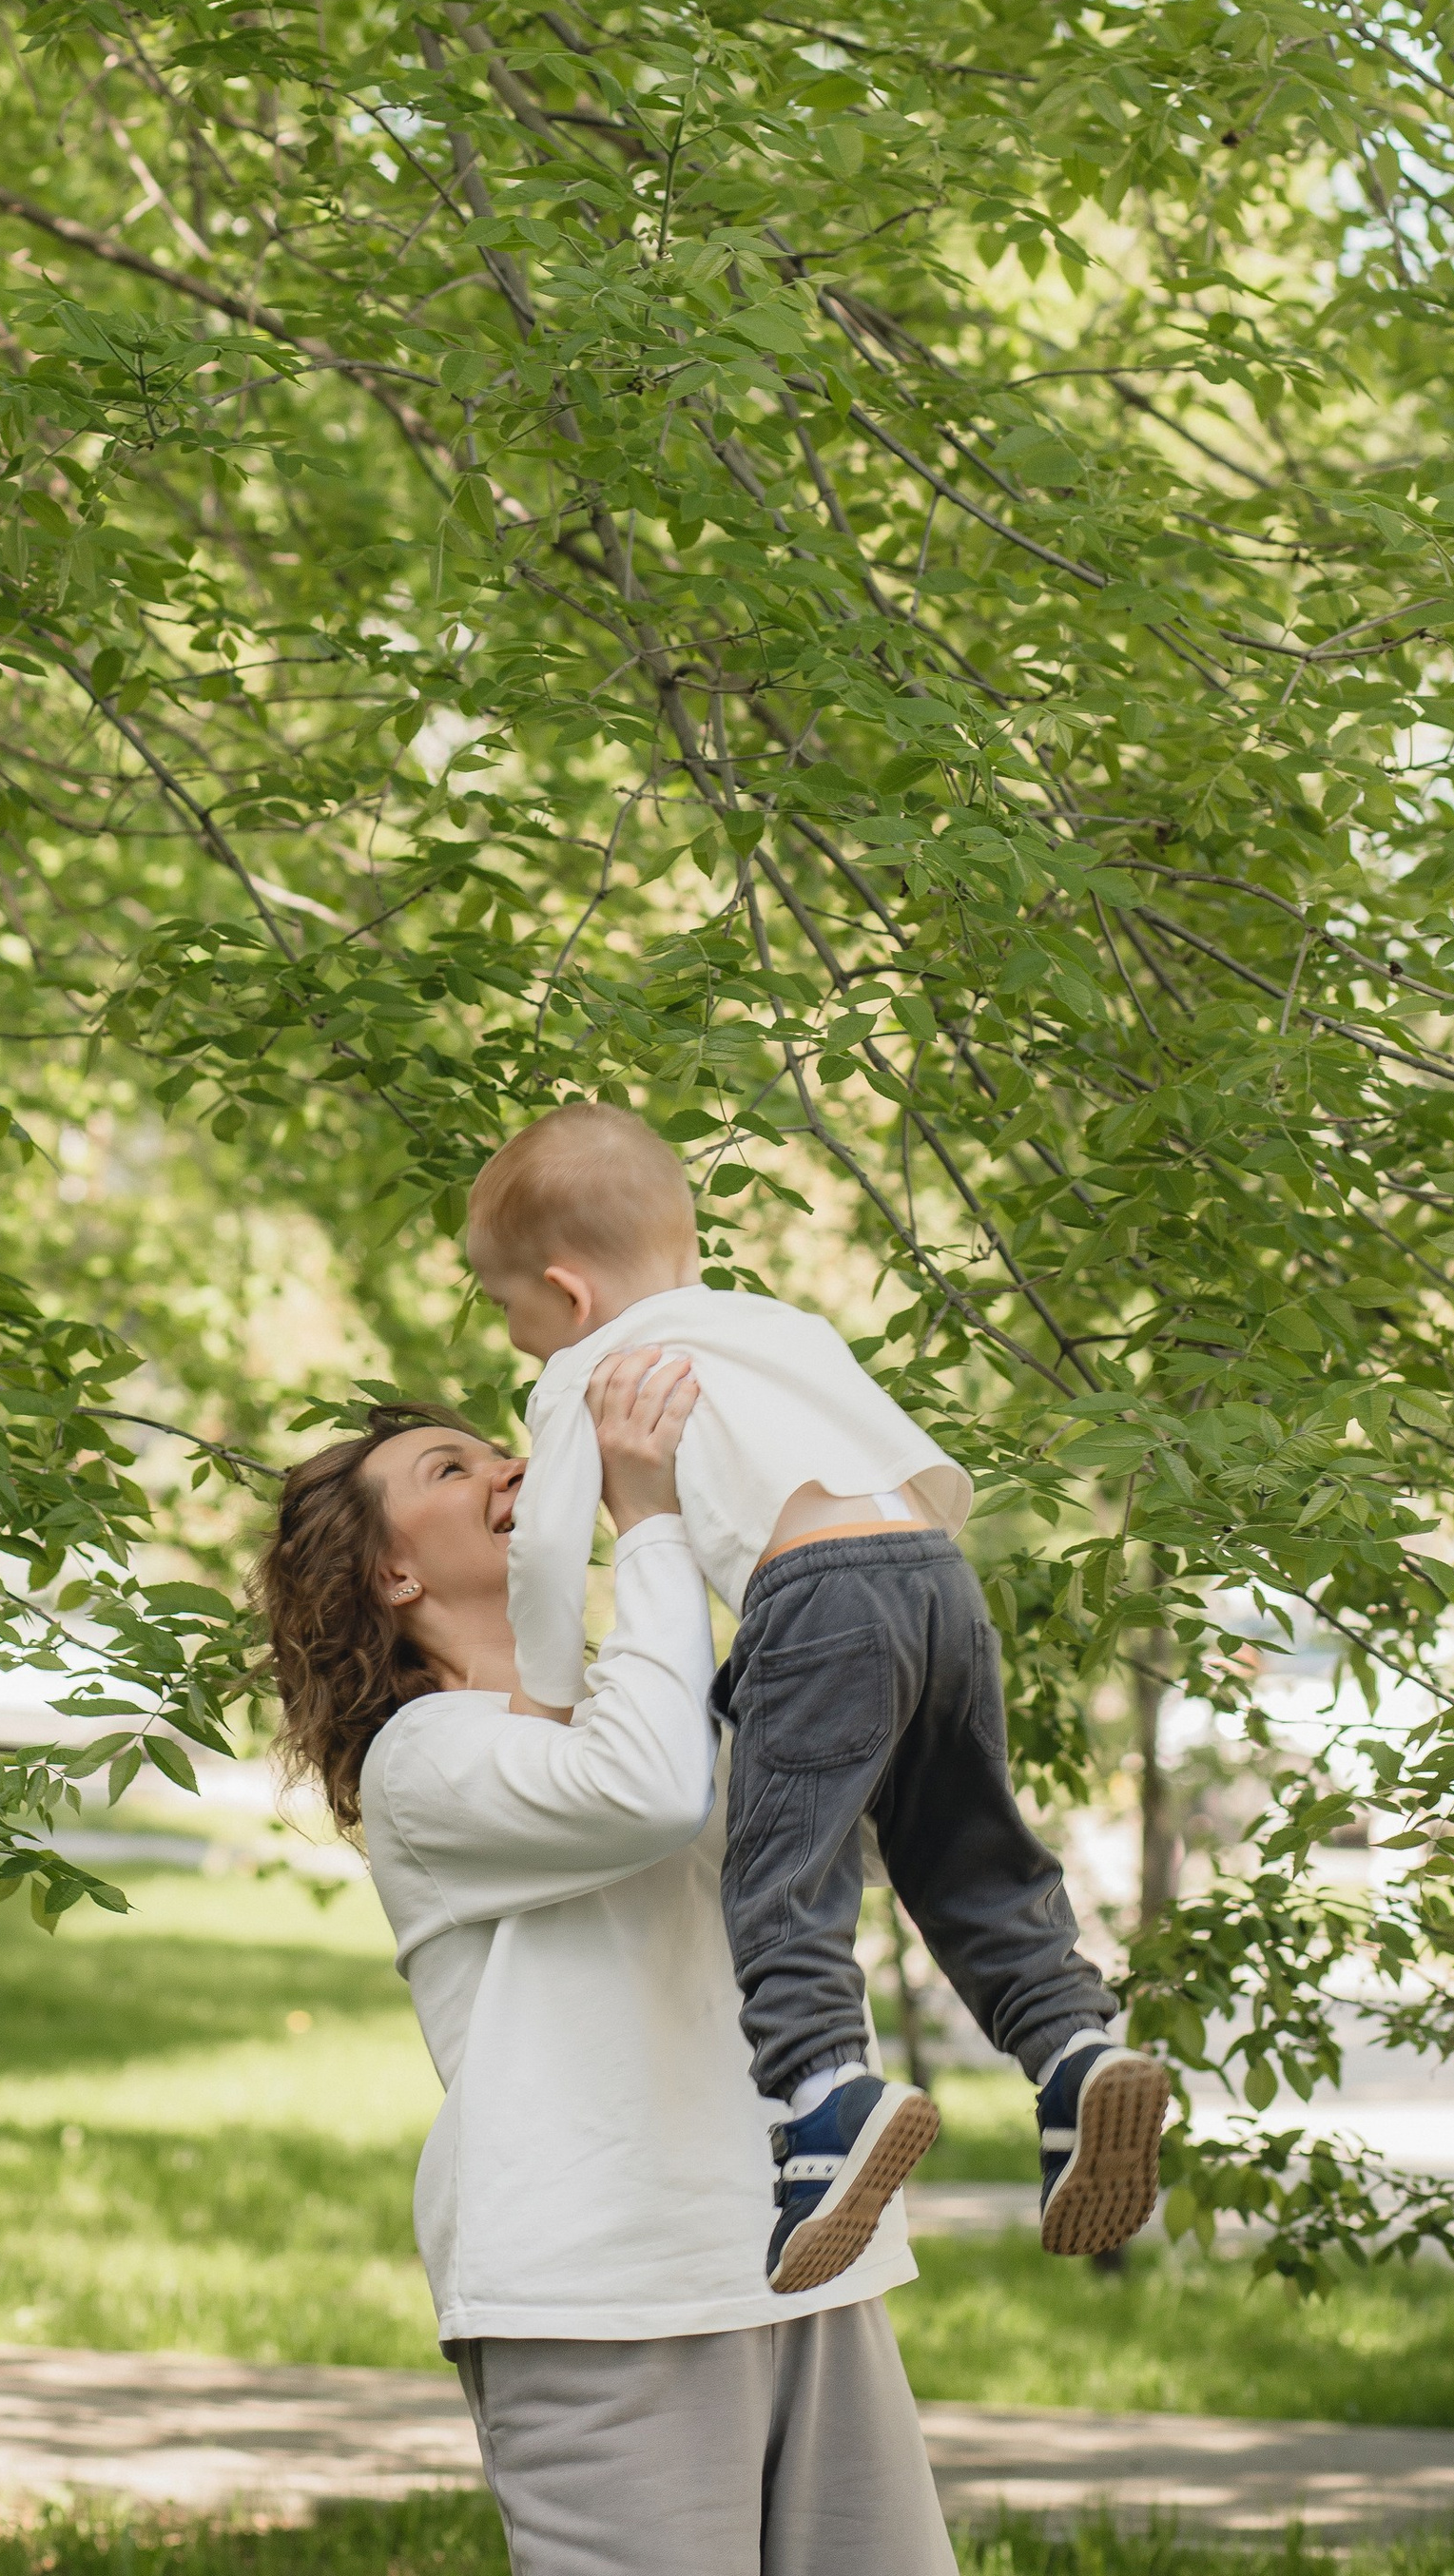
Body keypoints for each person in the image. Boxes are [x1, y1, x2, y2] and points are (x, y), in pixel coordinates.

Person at [255, 1363, 957, 2576]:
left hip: (800, 2247)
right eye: (451, 1468)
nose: (512, 1469)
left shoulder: (650, 1706)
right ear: (393, 1575)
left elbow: (860, 1827)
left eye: (498, 1449)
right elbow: (643, 1796)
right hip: (603, 2287)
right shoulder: (424, 1760)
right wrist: (649, 1524)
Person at [478, 1094, 1165, 2293]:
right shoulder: (773, 1324)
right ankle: (1071, 2048)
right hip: (938, 1577)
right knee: (963, 1850)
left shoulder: (592, 1370)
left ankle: (823, 2096)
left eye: (503, 1307)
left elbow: (544, 1548)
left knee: (781, 1874)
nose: (515, 1336)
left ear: (565, 1293)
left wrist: (547, 1694)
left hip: (817, 1594)